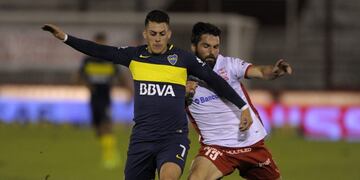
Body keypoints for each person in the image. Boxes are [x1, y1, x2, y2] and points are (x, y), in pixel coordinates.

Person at [42, 10, 252, 180]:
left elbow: (215, 80)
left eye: (162, 33)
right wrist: (65, 37)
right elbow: (99, 50)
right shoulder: (134, 56)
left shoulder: (183, 58)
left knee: (169, 176)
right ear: (145, 34)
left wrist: (243, 107)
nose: (157, 39)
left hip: (173, 137)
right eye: (153, 33)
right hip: (142, 139)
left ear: (169, 34)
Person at [186, 22, 292, 180]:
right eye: (206, 46)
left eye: (216, 47)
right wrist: (184, 94)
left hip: (251, 144)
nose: (212, 52)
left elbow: (260, 72)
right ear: (193, 46)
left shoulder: (229, 64)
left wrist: (275, 71)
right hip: (217, 147)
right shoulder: (181, 76)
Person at [78, 32, 120, 169]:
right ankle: (109, 151)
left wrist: (129, 91)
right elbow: (79, 76)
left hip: (105, 98)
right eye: (97, 43)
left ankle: (110, 157)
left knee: (105, 125)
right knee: (98, 129)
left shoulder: (110, 59)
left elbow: (119, 76)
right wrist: (87, 85)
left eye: (102, 42)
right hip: (93, 99)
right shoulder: (88, 61)